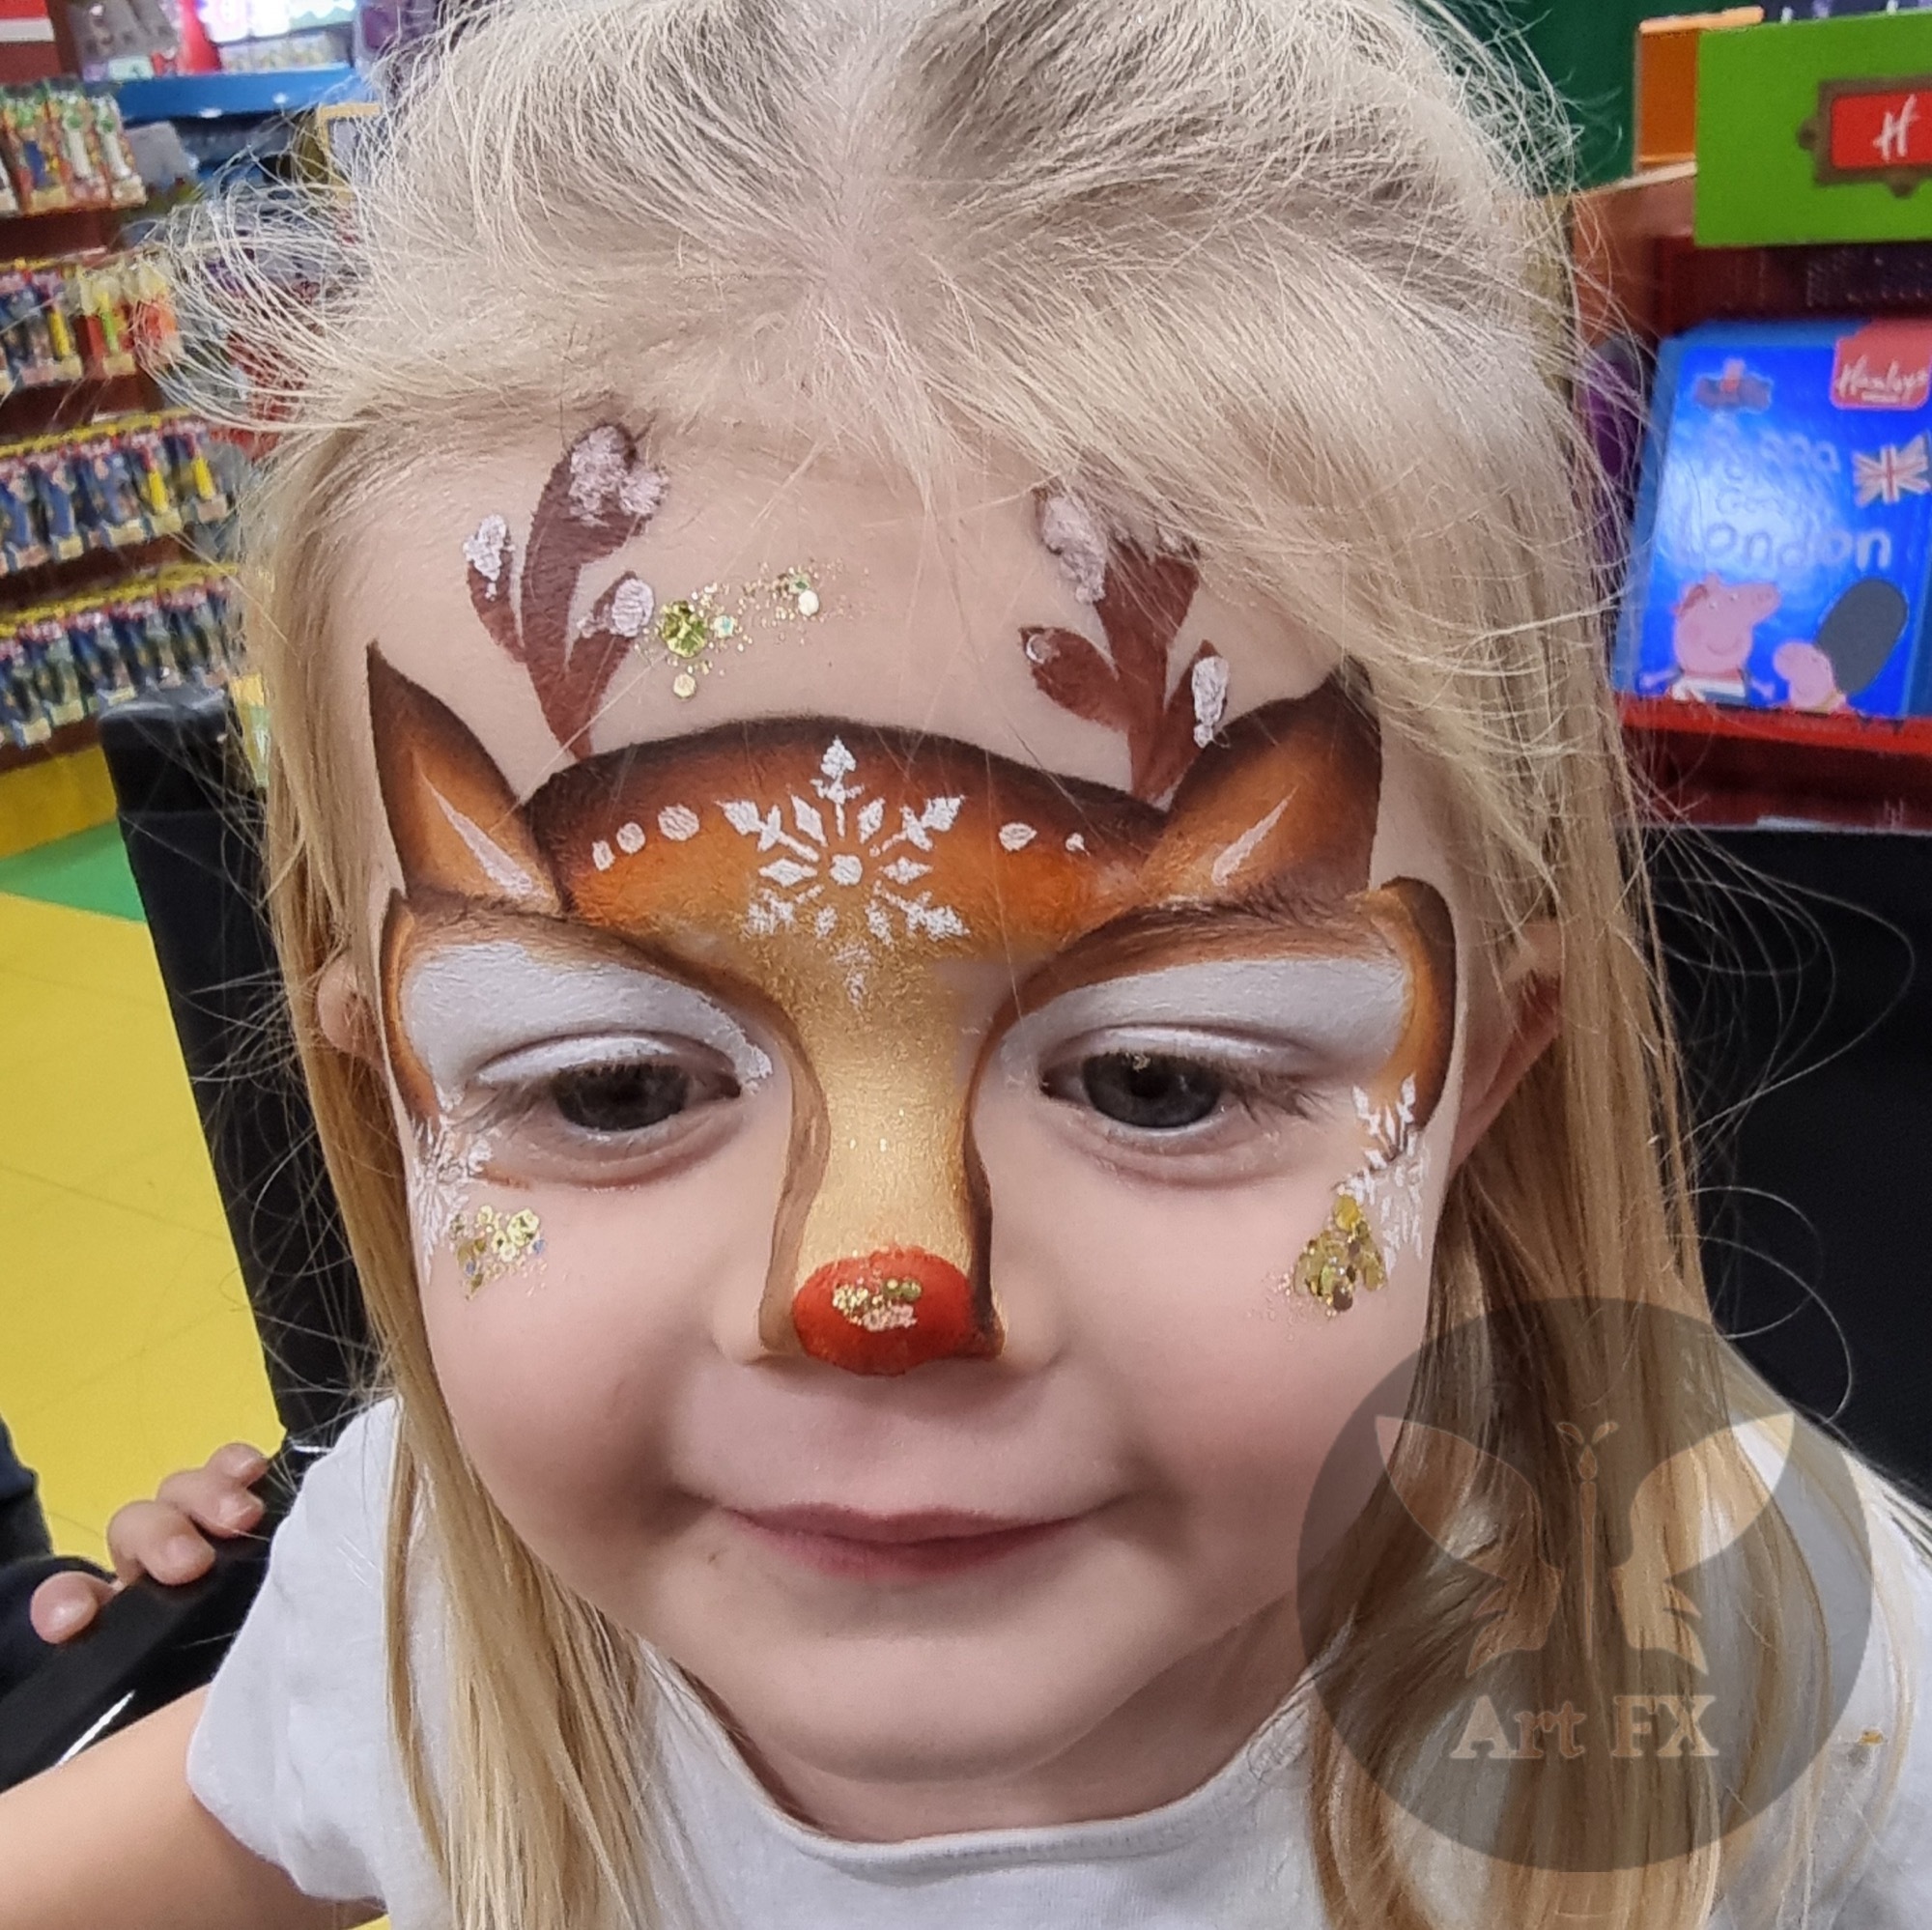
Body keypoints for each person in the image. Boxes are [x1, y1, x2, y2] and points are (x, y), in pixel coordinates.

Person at [4, 1, 1932, 1924]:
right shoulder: (416, 1607)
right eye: (609, 1087)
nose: (873, 1288)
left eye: (1160, 1079)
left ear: (1478, 1080)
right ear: (388, 1088)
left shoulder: (1772, 1686)